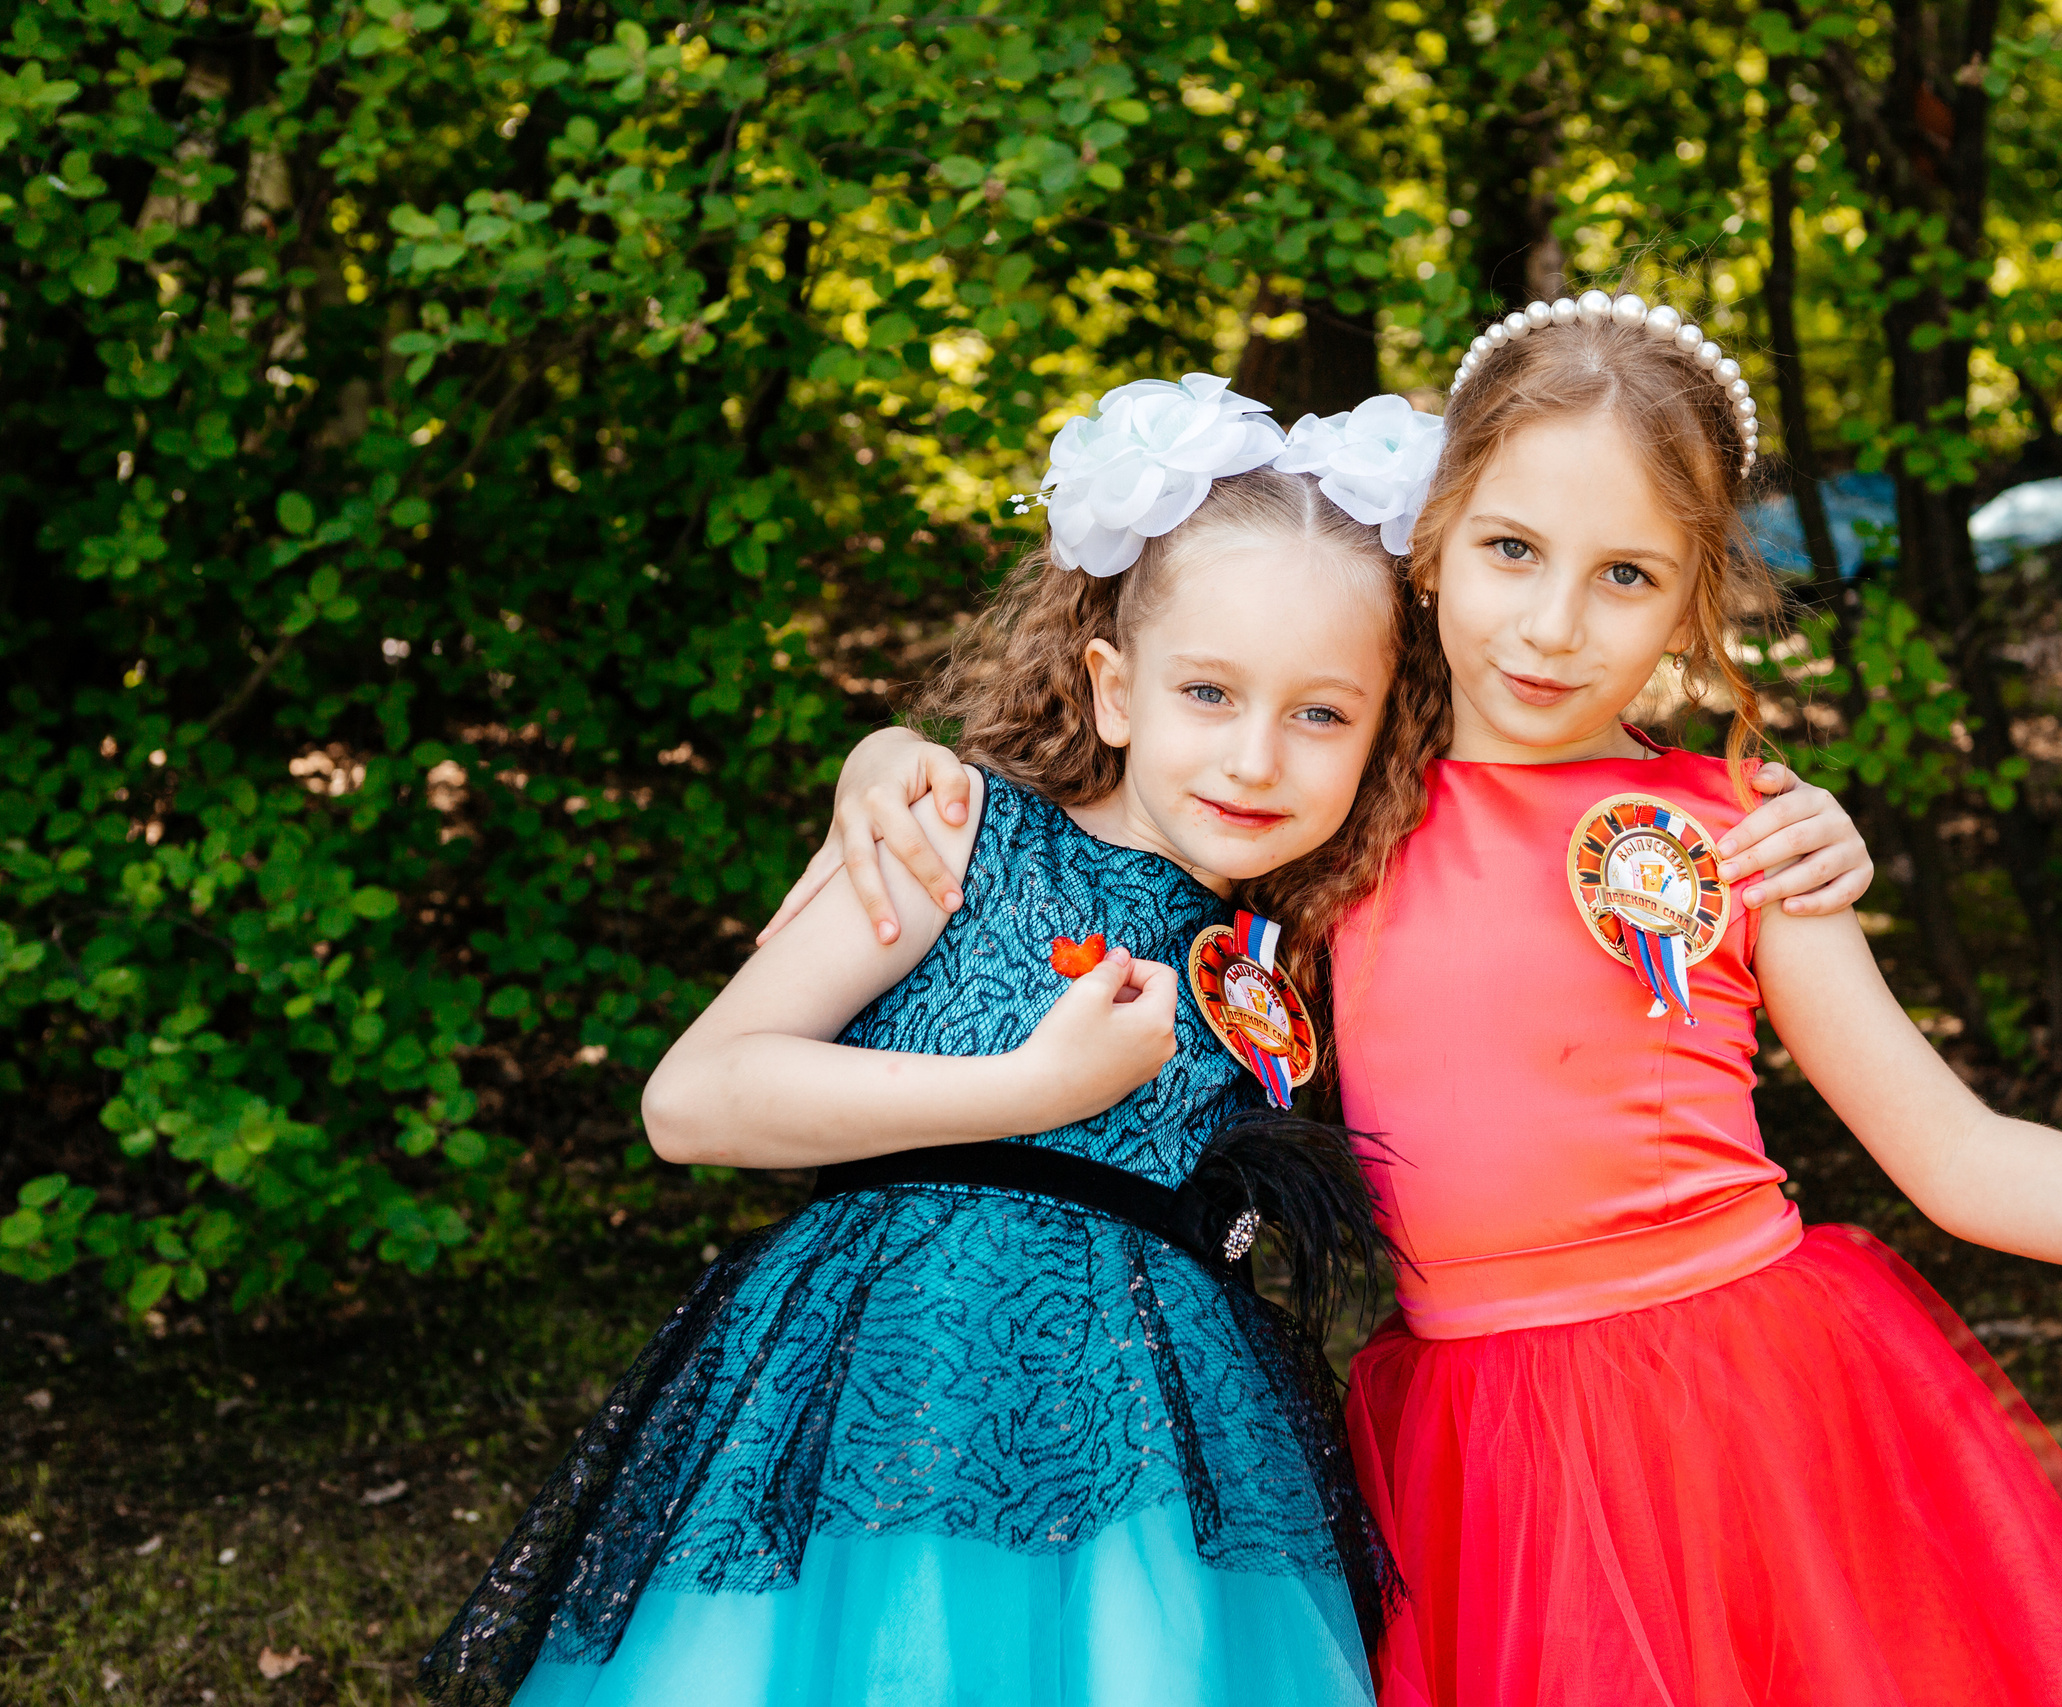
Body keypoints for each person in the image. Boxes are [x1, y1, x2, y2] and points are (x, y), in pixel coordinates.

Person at [804, 290, 2062, 1707]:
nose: (1555, 626)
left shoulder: (1742, 830)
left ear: (1700, 597)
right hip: (1479, 1451)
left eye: (1627, 575)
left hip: (1738, 1408)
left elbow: (1956, 1151)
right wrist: (891, 761)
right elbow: (1088, 810)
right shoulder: (1317, 799)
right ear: (1434, 540)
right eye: (1512, 551)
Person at [420, 373, 1443, 1707]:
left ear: (1380, 734)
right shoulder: (956, 833)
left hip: (1150, 1462)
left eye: (1321, 713)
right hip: (889, 1410)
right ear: (1114, 689)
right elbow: (695, 1099)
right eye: (1208, 691)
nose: (1257, 758)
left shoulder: (1301, 952)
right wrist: (1027, 1088)